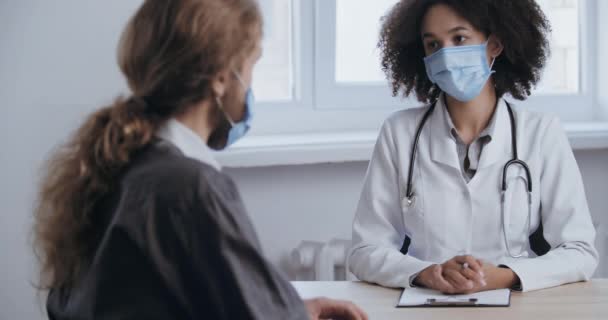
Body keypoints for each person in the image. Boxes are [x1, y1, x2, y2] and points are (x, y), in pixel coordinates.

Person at [33, 1, 368, 319]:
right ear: (221, 79)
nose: (251, 85)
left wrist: (291, 309)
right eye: (252, 64)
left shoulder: (111, 162)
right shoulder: (190, 188)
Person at [348, 0, 598, 294]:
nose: (446, 55)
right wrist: (427, 273)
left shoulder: (541, 133)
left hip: (513, 306)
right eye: (433, 45)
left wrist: (502, 276)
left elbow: (580, 251)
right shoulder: (399, 134)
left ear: (495, 44)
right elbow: (364, 250)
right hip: (428, 304)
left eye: (459, 39)